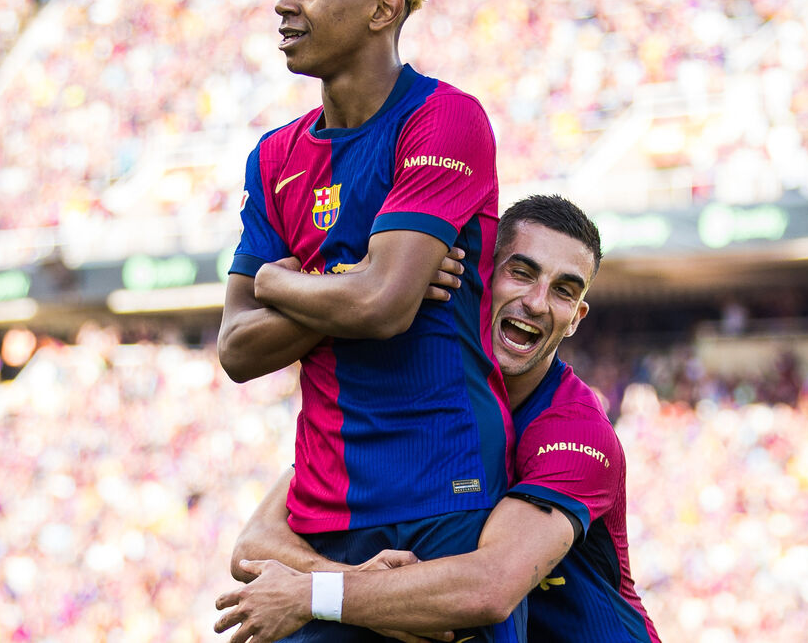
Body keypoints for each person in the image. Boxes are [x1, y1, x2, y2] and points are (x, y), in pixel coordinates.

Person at [216, 0, 519, 642]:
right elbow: (236, 350)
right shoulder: (274, 156)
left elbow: (382, 306)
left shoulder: (444, 118)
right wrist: (349, 286)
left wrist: (281, 285)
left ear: (384, 10)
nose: (284, 4)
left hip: (445, 484)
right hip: (325, 507)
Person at [217, 195, 663, 643]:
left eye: (564, 290)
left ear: (576, 318)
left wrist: (314, 594)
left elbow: (490, 584)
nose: (537, 302)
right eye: (521, 273)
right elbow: (254, 544)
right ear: (481, 274)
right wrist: (353, 587)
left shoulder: (577, 431)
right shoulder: (415, 387)